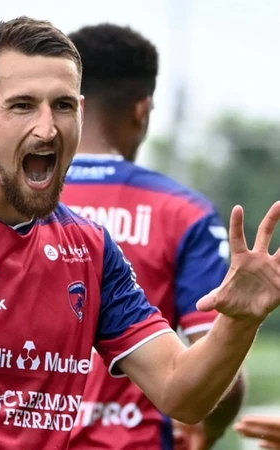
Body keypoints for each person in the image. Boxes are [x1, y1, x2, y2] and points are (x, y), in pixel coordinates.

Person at [0, 16, 279, 450]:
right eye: (22, 105)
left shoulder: (91, 249)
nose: (47, 129)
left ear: (81, 112)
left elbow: (182, 394)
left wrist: (241, 321)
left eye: (62, 106)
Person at [62, 23, 246, 449]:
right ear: (141, 111)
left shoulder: (12, 204)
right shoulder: (184, 212)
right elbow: (220, 369)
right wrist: (209, 428)